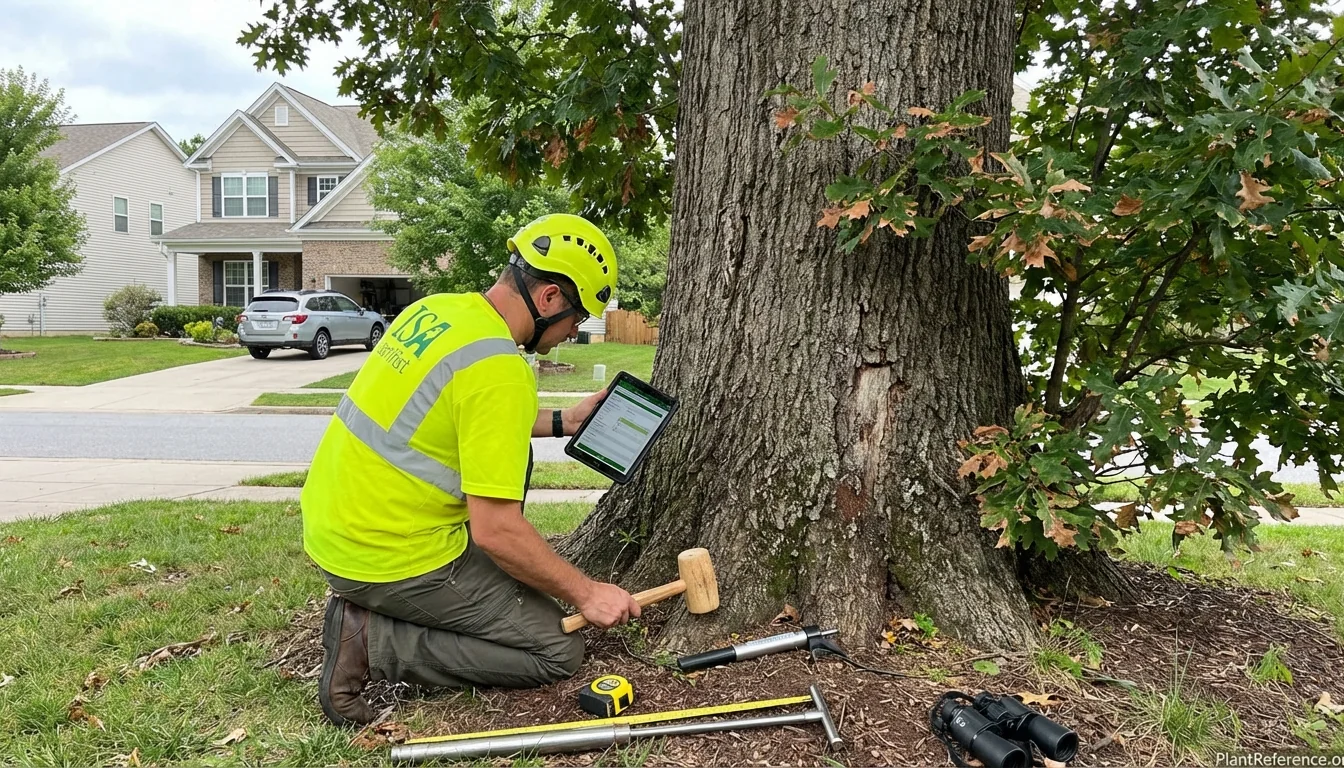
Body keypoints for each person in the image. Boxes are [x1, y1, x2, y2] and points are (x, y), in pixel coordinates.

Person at [301, 213, 641, 726]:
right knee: (557, 649)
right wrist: (587, 593)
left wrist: (564, 420)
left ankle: (374, 615)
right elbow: (496, 531)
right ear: (549, 297)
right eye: (577, 318)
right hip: (389, 554)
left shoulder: (438, 312)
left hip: (337, 527)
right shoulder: (500, 370)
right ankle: (370, 640)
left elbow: (462, 414)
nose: (574, 332)